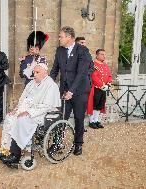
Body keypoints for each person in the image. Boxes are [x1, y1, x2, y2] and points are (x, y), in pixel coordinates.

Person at [0, 57, 61, 166]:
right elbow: (23, 99)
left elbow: (47, 106)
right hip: (28, 110)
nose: (35, 75)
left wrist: (29, 113)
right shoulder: (32, 83)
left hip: (43, 114)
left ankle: (15, 155)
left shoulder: (51, 85)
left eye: (37, 72)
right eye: (34, 72)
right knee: (10, 117)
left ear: (45, 73)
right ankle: (5, 150)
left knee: (22, 121)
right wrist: (16, 110)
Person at [50, 26, 93, 156]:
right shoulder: (59, 50)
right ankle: (57, 143)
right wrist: (48, 86)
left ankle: (78, 144)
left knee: (79, 118)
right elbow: (55, 70)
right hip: (64, 90)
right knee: (61, 117)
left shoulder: (83, 50)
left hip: (79, 91)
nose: (59, 39)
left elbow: (81, 73)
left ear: (69, 37)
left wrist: (72, 91)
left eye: (60, 36)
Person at [87, 49, 112, 129]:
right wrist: (102, 85)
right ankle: (91, 121)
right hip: (96, 88)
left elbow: (109, 76)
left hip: (103, 89)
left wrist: (108, 84)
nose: (104, 56)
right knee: (93, 105)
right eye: (102, 54)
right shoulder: (93, 64)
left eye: (104, 54)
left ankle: (96, 120)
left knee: (99, 106)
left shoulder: (105, 65)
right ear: (97, 55)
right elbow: (94, 76)